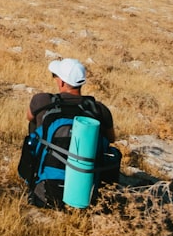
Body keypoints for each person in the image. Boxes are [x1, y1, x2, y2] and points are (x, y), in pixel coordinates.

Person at [20, 58, 116, 208]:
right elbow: (111, 138)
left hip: (46, 193)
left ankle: (36, 175)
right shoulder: (99, 109)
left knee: (35, 131)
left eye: (55, 76)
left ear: (62, 82)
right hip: (86, 194)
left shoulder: (42, 100)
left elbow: (29, 117)